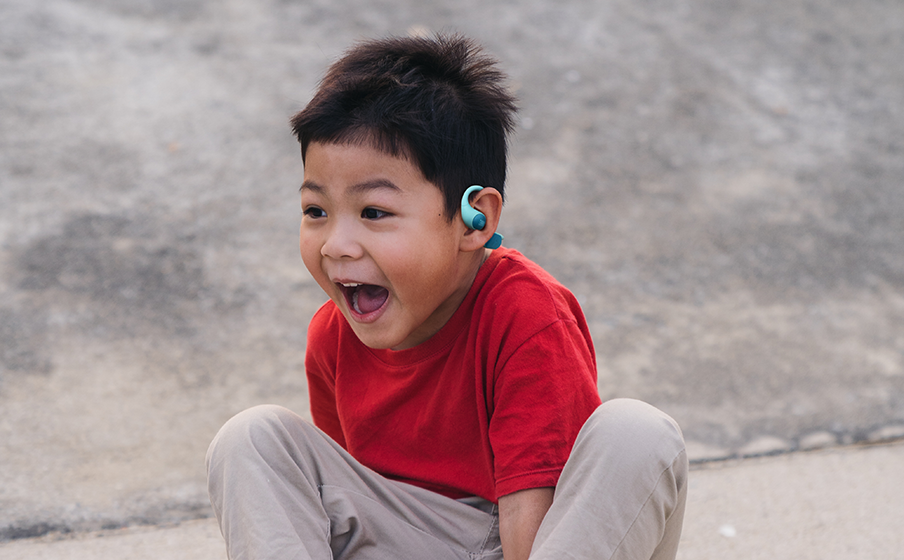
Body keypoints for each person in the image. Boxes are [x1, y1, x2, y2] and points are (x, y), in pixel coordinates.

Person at [206, 33, 687, 560]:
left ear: (474, 219)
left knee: (637, 433)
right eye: (316, 211)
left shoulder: (525, 314)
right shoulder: (334, 335)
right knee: (253, 438)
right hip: (410, 537)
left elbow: (534, 525)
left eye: (374, 212)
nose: (336, 245)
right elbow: (337, 506)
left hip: (528, 543)